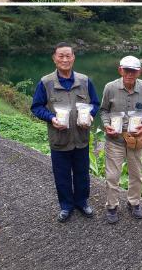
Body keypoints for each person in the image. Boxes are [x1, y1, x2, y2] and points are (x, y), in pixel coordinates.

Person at [31, 42, 100, 223]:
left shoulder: (85, 81)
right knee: (61, 175)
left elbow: (95, 103)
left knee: (82, 173)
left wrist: (90, 115)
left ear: (73, 58)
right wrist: (51, 118)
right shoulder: (46, 82)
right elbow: (36, 107)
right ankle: (66, 206)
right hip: (59, 138)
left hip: (81, 137)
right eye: (60, 56)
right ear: (54, 59)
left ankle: (82, 202)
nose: (64, 59)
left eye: (68, 56)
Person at [100, 56, 142, 223]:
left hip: (135, 139)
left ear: (139, 72)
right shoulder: (110, 88)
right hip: (114, 138)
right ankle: (112, 205)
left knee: (136, 173)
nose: (130, 74)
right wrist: (107, 125)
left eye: (133, 71)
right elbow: (103, 110)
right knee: (113, 175)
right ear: (120, 70)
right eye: (127, 70)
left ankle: (134, 202)